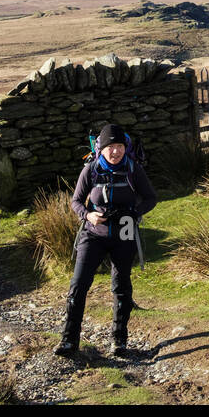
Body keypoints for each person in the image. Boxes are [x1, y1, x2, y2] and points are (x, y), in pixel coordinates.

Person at [54, 123, 157, 358]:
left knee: (121, 287)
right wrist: (88, 215)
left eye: (120, 146)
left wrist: (135, 213)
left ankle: (119, 341)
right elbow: (76, 201)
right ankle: (69, 341)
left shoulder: (133, 169)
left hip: (125, 231)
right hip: (93, 233)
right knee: (78, 285)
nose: (115, 152)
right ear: (101, 149)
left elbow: (151, 198)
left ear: (125, 147)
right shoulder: (90, 170)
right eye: (111, 147)